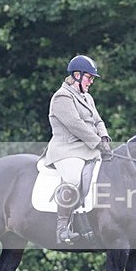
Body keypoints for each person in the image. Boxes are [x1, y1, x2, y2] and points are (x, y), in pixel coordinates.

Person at [45, 55, 112, 244]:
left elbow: (98, 121)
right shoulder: (62, 97)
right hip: (66, 149)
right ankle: (62, 228)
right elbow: (76, 125)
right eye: (89, 77)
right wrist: (98, 142)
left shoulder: (87, 97)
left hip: (87, 147)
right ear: (76, 75)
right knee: (73, 179)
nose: (91, 81)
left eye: (92, 78)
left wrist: (105, 137)